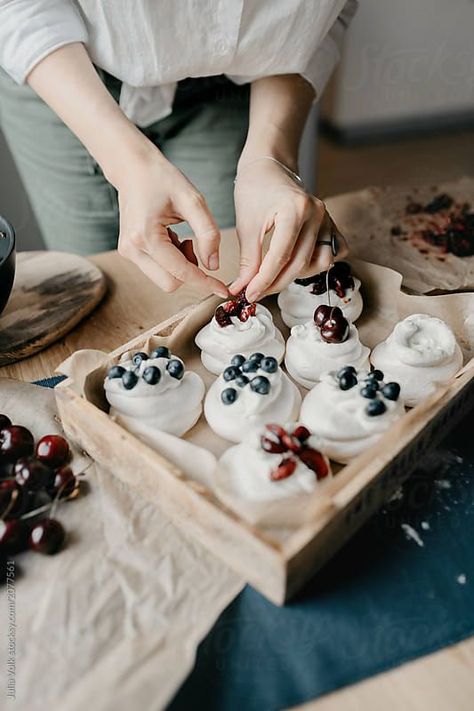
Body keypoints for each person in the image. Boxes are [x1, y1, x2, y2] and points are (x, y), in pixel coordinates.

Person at [0, 1, 356, 302]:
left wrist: (272, 156)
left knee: (237, 267)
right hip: (59, 64)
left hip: (236, 86)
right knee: (89, 280)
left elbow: (322, 15)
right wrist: (129, 166)